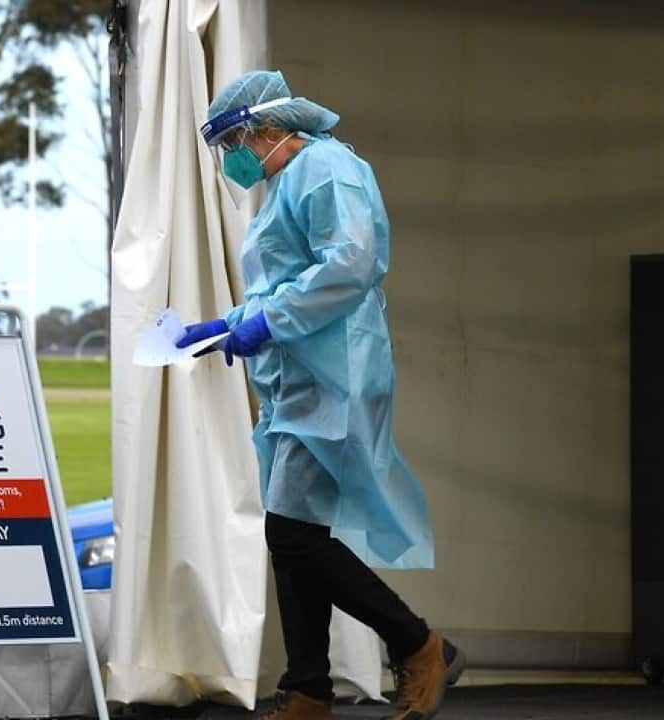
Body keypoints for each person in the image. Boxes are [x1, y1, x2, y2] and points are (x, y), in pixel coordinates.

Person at [178, 70, 466, 720]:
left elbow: (350, 263)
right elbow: (283, 283)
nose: (233, 160)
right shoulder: (289, 182)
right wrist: (226, 324)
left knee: (295, 537)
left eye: (233, 144)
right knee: (291, 533)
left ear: (266, 128)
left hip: (336, 371)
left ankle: (418, 644)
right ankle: (308, 688)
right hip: (302, 378)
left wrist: (266, 323)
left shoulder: (327, 168)